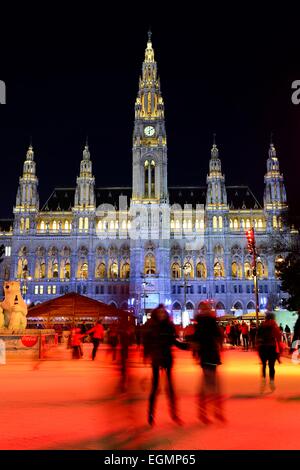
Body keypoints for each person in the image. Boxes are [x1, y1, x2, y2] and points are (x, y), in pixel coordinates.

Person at [143, 304, 186, 426]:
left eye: (163, 312)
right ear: (156, 314)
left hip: (167, 359)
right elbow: (147, 342)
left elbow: (174, 342)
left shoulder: (168, 327)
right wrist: (146, 355)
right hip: (157, 359)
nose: (161, 314)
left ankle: (174, 414)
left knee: (170, 389)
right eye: (159, 312)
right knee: (155, 388)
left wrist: (187, 346)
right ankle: (151, 414)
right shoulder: (152, 327)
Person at [193, 302, 225, 424]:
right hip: (206, 355)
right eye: (203, 309)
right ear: (201, 310)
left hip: (212, 355)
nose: (205, 310)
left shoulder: (210, 321)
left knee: (212, 384)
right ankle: (208, 411)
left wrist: (220, 345)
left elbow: (218, 335)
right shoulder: (201, 323)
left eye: (207, 308)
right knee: (210, 384)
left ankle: (212, 411)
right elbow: (197, 339)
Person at [257, 312, 282, 392]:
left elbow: (258, 336)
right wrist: (279, 352)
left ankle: (263, 380)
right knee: (271, 366)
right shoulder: (274, 325)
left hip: (263, 347)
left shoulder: (262, 325)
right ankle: (271, 381)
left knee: (264, 365)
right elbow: (278, 337)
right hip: (272, 347)